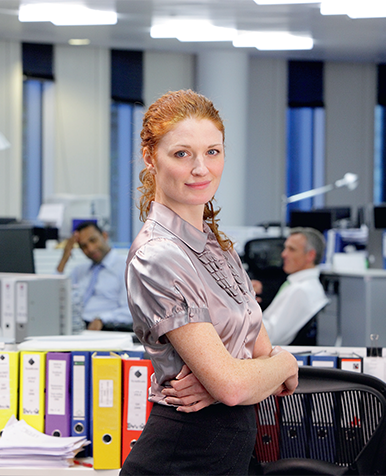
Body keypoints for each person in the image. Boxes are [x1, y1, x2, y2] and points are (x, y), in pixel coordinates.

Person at [121, 90, 299, 476]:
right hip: (181, 458)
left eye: (213, 152)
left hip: (224, 457)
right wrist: (282, 363)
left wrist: (231, 376)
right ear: (151, 159)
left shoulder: (220, 248)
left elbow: (253, 358)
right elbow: (240, 384)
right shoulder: (159, 255)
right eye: (182, 153)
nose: (201, 168)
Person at [252, 227, 329, 345]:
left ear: (310, 255)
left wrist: (246, 308)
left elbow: (269, 337)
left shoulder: (301, 291)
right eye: (285, 248)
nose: (283, 254)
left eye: (291, 249)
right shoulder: (299, 285)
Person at [56, 221, 132, 331]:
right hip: (75, 328)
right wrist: (64, 259)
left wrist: (102, 319)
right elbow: (53, 296)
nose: (90, 249)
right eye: (84, 246)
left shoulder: (127, 267)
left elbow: (133, 311)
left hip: (105, 328)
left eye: (93, 240)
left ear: (104, 236)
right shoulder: (80, 271)